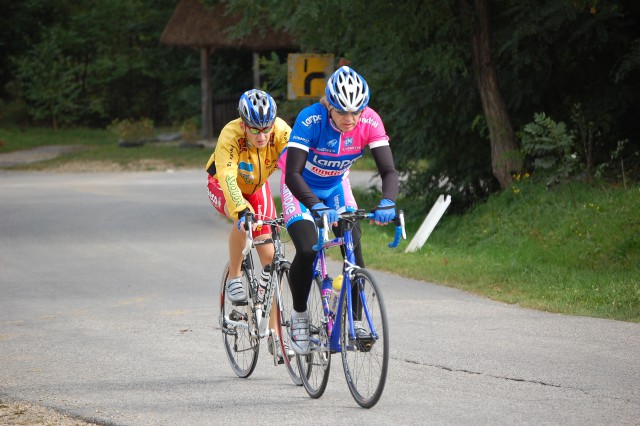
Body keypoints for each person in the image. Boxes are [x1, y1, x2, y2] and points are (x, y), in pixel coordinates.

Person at [278, 66, 399, 355]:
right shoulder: (311, 119)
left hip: (335, 186)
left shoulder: (369, 121)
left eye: (356, 112)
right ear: (329, 105)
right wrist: (315, 206)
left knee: (353, 246)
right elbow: (293, 173)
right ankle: (299, 317)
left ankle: (356, 321)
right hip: (300, 187)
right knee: (307, 250)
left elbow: (388, 170)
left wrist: (388, 202)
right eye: (343, 112)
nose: (350, 119)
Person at [206, 89, 291, 359]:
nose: (262, 136)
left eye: (266, 129)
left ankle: (277, 336)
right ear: (243, 124)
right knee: (245, 222)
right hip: (222, 184)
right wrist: (241, 211)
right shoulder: (230, 135)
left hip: (257, 186)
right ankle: (234, 276)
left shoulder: (280, 131)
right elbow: (229, 177)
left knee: (272, 261)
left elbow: (296, 166)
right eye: (255, 130)